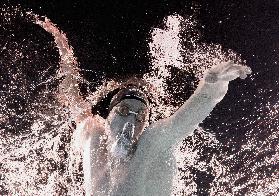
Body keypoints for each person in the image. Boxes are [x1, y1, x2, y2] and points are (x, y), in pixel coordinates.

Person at [36, 17, 251, 196]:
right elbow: (71, 95)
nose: (131, 121)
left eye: (140, 116)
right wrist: (63, 50)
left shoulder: (152, 142)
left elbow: (186, 118)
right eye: (123, 111)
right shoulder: (93, 134)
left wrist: (212, 86)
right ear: (109, 114)